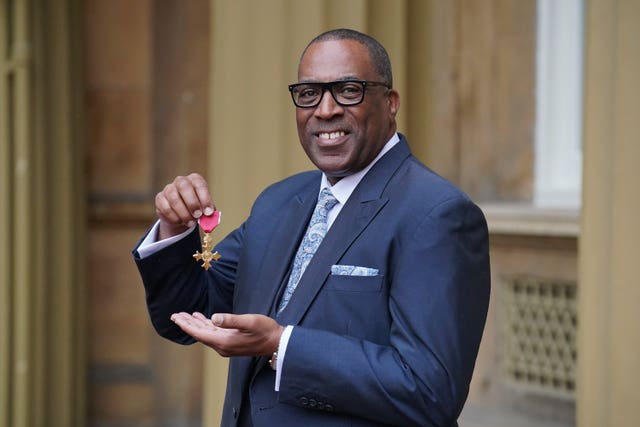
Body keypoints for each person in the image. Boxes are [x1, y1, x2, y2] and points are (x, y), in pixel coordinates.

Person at [133, 28, 490, 427]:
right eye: (309, 94)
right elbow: (189, 313)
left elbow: (429, 391)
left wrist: (281, 346)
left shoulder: (437, 214)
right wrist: (173, 231)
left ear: (391, 103)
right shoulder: (278, 202)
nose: (325, 110)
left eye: (348, 90)